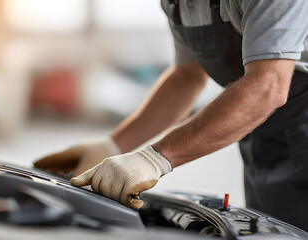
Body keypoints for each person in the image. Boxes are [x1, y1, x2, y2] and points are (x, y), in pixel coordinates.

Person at [34, 0, 308, 231]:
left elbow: (267, 87)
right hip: (261, 140)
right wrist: (113, 145)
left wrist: (154, 158)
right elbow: (186, 78)